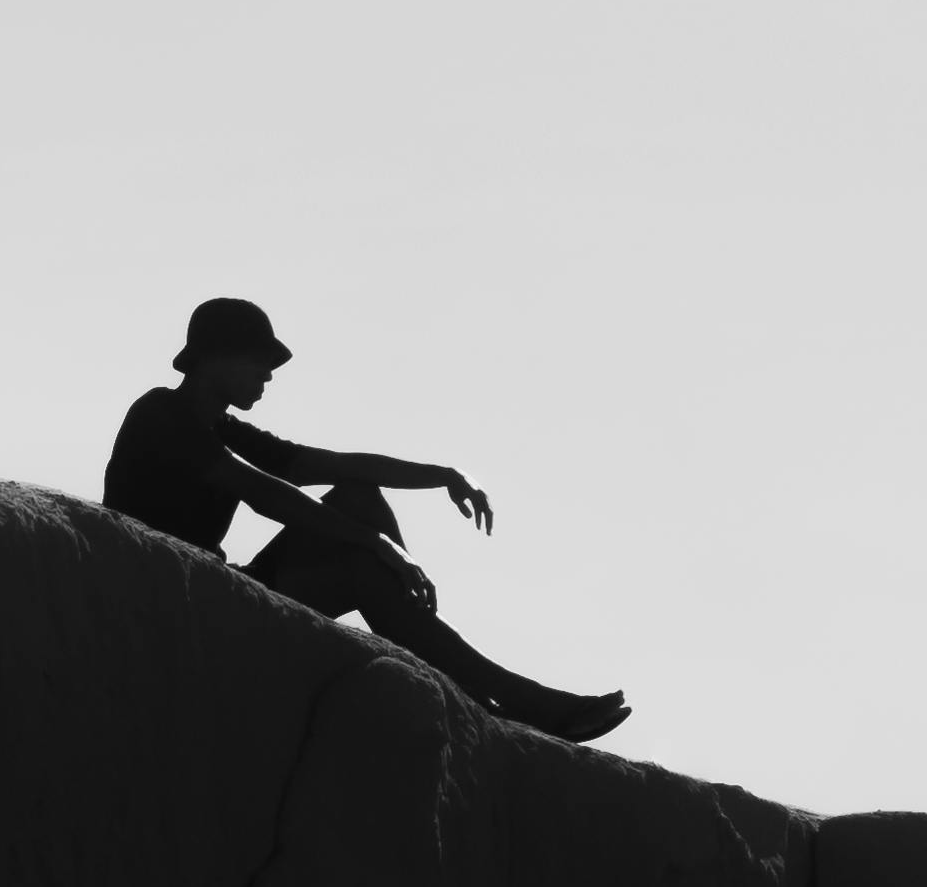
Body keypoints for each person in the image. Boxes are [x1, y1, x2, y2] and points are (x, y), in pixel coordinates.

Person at [102, 296, 630, 743]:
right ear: (217, 357)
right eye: (259, 360)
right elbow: (264, 493)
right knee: (364, 560)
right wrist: (380, 546)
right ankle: (514, 701)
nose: (268, 374)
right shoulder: (159, 415)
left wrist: (444, 474)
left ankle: (481, 691)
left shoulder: (227, 430)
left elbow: (332, 466)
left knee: (358, 497)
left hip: (220, 592)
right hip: (181, 604)